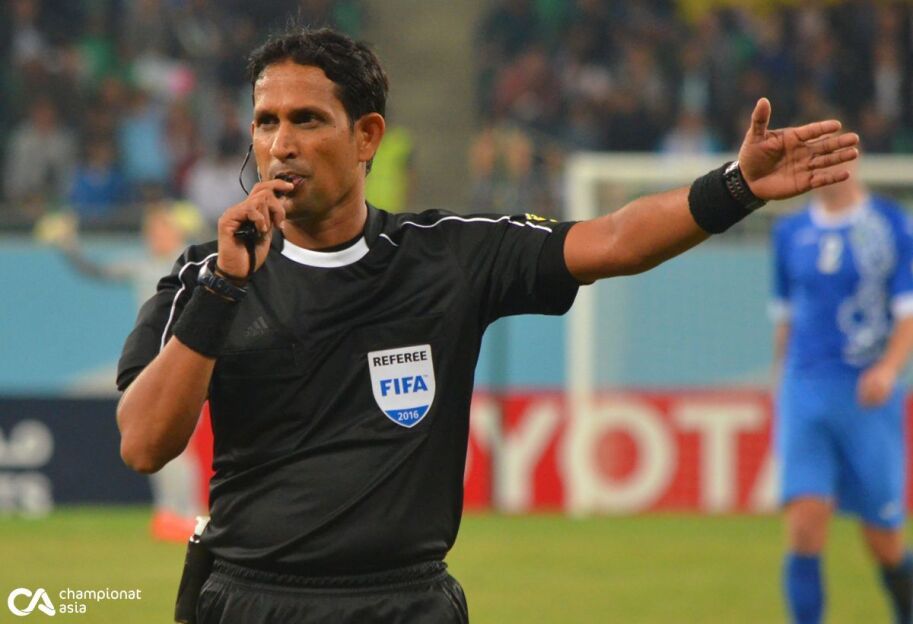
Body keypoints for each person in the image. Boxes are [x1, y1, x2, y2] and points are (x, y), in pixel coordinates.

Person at [115, 27, 858, 623]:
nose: (281, 143)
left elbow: (613, 241)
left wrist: (735, 187)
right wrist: (225, 287)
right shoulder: (204, 275)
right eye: (266, 122)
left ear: (366, 136)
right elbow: (144, 444)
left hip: (406, 602)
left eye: (307, 119)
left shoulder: (447, 256)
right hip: (251, 600)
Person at [771, 158, 913, 624]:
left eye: (839, 159)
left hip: (867, 394)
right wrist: (779, 383)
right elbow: (785, 317)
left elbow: (907, 312)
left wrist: (889, 369)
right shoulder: (789, 232)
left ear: (855, 162)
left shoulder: (891, 225)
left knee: (884, 540)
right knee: (805, 524)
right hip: (806, 389)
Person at [43, 204, 211, 541]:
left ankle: (184, 513)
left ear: (176, 231)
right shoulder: (140, 264)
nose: (157, 236)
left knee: (182, 443)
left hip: (186, 357)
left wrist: (201, 228)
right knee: (160, 438)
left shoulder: (191, 262)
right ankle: (171, 514)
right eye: (152, 231)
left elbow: (225, 257)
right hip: (154, 359)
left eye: (163, 229)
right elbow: (96, 270)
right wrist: (68, 245)